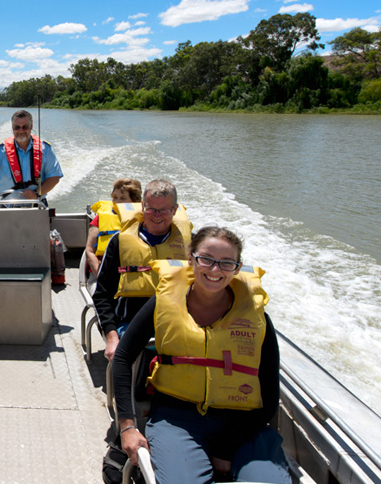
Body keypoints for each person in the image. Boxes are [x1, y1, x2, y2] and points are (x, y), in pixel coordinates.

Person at [113, 227, 291, 484]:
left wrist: (225, 447)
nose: (215, 270)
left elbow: (270, 397)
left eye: (226, 263)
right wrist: (127, 426)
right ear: (191, 259)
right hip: (177, 420)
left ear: (237, 268)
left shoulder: (258, 318)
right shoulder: (163, 303)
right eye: (206, 259)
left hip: (244, 426)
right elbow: (122, 357)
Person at [93, 179, 190, 362]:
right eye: (151, 208)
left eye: (164, 210)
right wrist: (111, 336)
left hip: (176, 323)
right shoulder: (119, 242)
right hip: (129, 323)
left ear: (175, 210)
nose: (157, 216)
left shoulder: (191, 246)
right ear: (142, 206)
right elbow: (102, 295)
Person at [0, 109, 63, 209]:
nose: (21, 130)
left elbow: (54, 177)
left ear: (31, 126)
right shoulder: (0, 151)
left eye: (25, 127)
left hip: (38, 205)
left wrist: (36, 193)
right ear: (12, 128)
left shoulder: (45, 149)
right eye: (17, 127)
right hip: (7, 208)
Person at [85, 178, 142, 276]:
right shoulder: (100, 219)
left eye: (123, 198)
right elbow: (89, 251)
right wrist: (101, 276)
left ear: (135, 201)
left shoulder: (145, 220)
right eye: (115, 197)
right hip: (104, 272)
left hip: (136, 274)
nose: (117, 202)